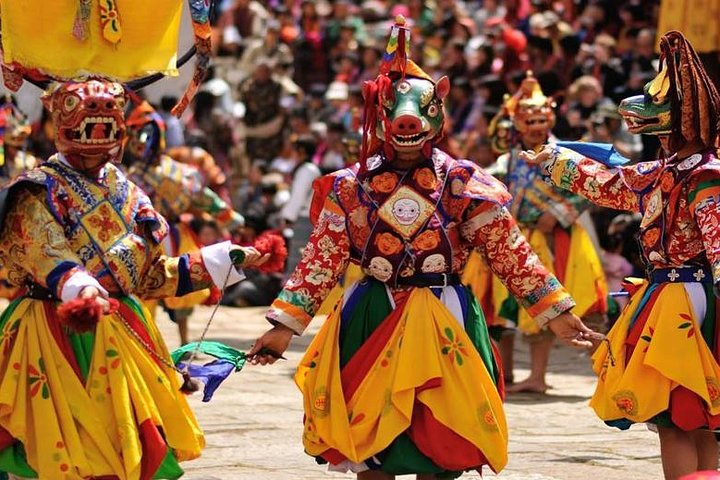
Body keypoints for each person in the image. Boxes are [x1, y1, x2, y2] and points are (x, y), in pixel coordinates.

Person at [249, 16, 594, 480]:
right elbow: (320, 260)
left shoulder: (462, 181)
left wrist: (555, 311)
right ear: (379, 115)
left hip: (445, 312)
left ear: (439, 113)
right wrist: (283, 326)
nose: (407, 124)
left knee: (442, 443)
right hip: (373, 312)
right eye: (396, 112)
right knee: (371, 443)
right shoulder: (350, 187)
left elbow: (510, 251)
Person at [0, 79, 267, 479]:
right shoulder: (36, 190)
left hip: (123, 328)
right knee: (60, 445)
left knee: (122, 446)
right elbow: (43, 250)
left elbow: (149, 275)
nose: (100, 130)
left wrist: (219, 262)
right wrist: (80, 286)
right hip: (53, 327)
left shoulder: (126, 189)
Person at [522, 31, 720, 480]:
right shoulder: (662, 172)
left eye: (657, 103)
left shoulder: (706, 178)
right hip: (669, 297)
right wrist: (555, 160)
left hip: (688, 302)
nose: (640, 109)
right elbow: (610, 184)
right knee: (696, 414)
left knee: (675, 417)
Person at [487, 73, 608, 392]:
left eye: (542, 119)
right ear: (518, 122)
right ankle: (522, 374)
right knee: (520, 309)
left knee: (569, 303)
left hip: (561, 239)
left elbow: (589, 189)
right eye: (530, 119)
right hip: (520, 238)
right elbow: (493, 185)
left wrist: (556, 214)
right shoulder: (508, 159)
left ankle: (589, 375)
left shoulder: (563, 154)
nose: (537, 125)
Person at [124, 101, 245, 345]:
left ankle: (162, 342)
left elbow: (204, 198)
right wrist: (231, 219)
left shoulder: (134, 176)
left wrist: (230, 219)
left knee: (161, 288)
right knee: (158, 290)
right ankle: (167, 341)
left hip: (155, 235)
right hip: (167, 233)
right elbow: (205, 199)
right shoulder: (175, 172)